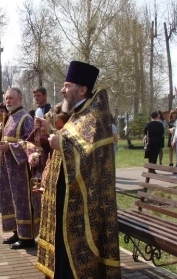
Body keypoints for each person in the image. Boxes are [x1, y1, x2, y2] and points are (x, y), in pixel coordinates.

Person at [36, 61, 120, 278]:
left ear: (82, 90)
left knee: (73, 246)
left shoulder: (95, 117)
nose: (63, 90)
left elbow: (89, 156)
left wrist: (59, 144)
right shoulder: (77, 113)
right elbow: (72, 140)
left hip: (83, 200)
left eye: (67, 85)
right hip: (66, 192)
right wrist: (54, 134)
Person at [0, 87, 35, 250]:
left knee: (21, 202)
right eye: (6, 98)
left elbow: (31, 143)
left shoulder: (25, 118)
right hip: (8, 169)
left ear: (20, 99)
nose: (8, 101)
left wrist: (11, 147)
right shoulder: (10, 117)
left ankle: (27, 237)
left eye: (11, 98)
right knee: (10, 200)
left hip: (20, 171)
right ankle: (16, 232)